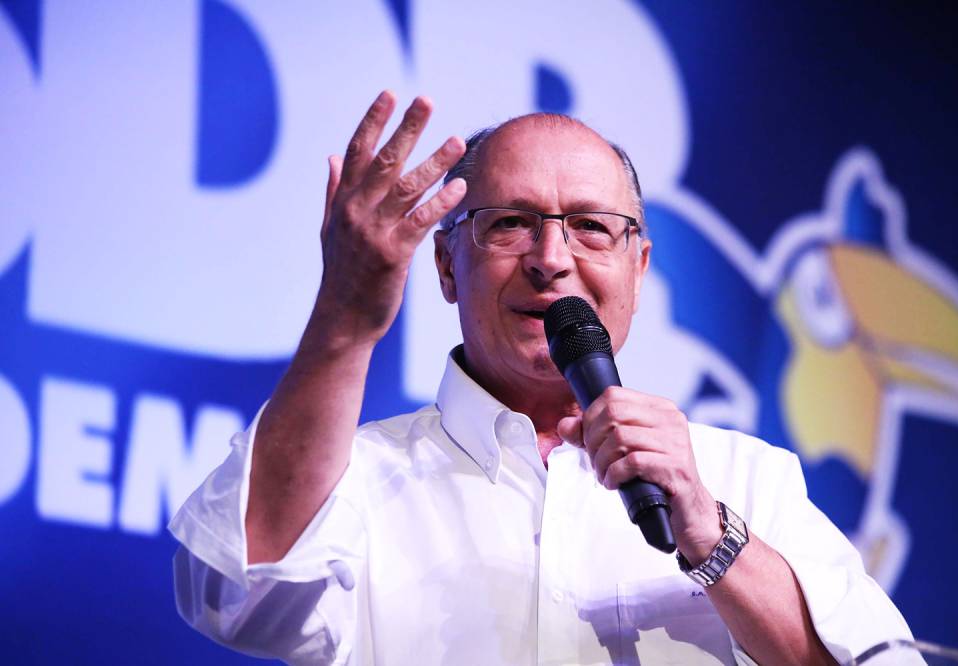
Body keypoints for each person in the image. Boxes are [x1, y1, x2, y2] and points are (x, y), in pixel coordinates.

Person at [170, 92, 915, 665]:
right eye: (509, 223)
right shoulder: (357, 479)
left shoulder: (745, 481)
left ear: (639, 267)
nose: (551, 257)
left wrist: (709, 536)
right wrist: (343, 317)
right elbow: (236, 594)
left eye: (591, 226)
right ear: (444, 267)